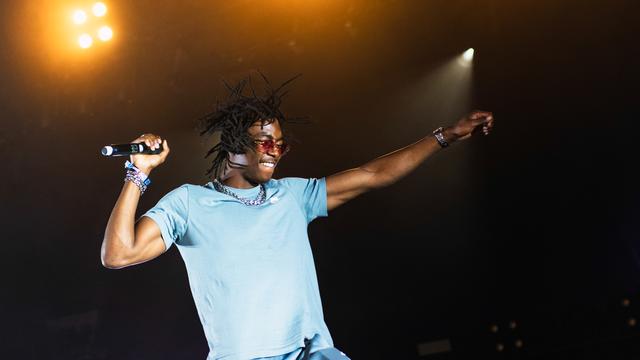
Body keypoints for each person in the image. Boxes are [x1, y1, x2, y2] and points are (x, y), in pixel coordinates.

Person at [101, 77, 494, 360]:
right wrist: (140, 172)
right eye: (265, 142)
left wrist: (446, 136)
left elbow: (374, 175)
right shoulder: (189, 203)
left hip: (313, 352)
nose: (275, 151)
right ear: (235, 147)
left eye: (280, 144)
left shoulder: (290, 196)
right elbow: (118, 254)